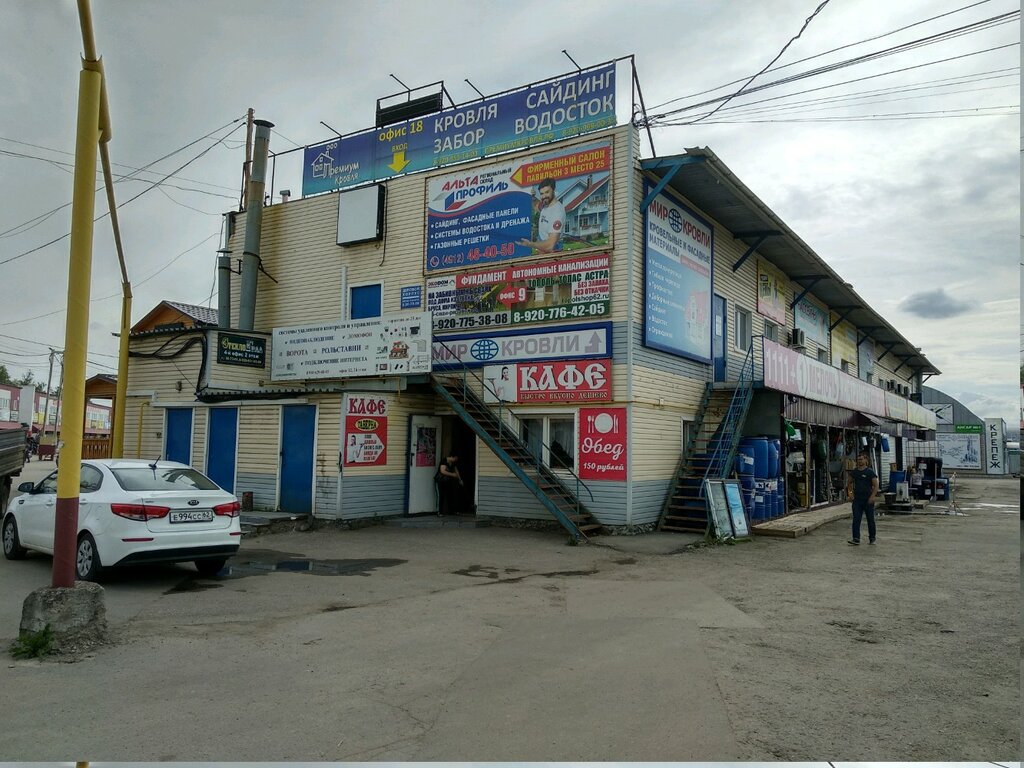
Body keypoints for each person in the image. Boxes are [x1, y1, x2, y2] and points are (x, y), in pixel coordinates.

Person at [517, 178, 565, 253]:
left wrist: (530, 244)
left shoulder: (557, 212)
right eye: (542, 194)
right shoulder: (546, 205)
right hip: (542, 248)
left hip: (553, 254)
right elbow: (536, 205)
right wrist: (532, 197)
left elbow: (550, 246)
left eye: (547, 192)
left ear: (554, 190)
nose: (544, 196)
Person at [846, 452, 878, 545]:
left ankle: (872, 538)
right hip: (857, 500)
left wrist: (872, 496)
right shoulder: (855, 472)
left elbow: (876, 485)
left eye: (861, 459)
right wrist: (850, 494)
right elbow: (849, 483)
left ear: (866, 460)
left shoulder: (870, 472)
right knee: (856, 519)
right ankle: (856, 538)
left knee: (870, 520)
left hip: (868, 499)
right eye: (858, 459)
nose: (859, 461)